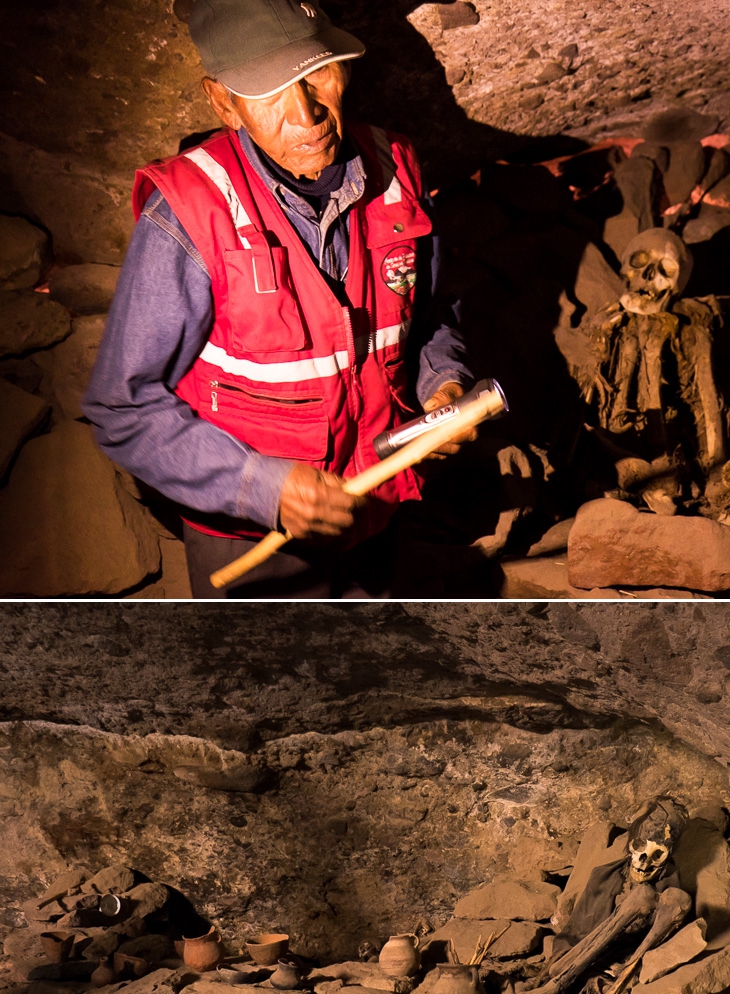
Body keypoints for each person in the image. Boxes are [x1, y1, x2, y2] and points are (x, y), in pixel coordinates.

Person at [83, 0, 475, 598]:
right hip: (253, 542)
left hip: (379, 510)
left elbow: (428, 316)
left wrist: (442, 385)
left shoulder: (396, 170)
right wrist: (264, 487)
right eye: (270, 90)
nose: (307, 114)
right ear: (223, 103)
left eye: (317, 73)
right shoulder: (191, 213)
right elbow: (122, 407)